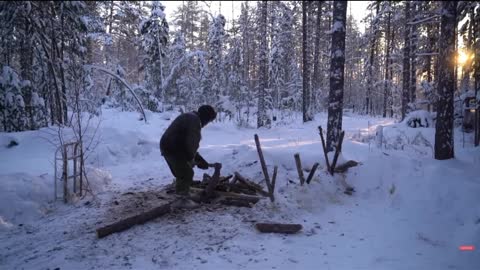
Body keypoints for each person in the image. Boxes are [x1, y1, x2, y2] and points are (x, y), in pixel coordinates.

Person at [160, 105, 217, 207]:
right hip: (173, 148)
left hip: (170, 146)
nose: (207, 124)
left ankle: (183, 194)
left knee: (183, 171)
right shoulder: (194, 121)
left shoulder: (191, 117)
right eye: (209, 121)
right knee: (186, 173)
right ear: (206, 117)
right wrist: (193, 159)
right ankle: (182, 200)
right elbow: (191, 144)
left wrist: (198, 159)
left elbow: (190, 145)